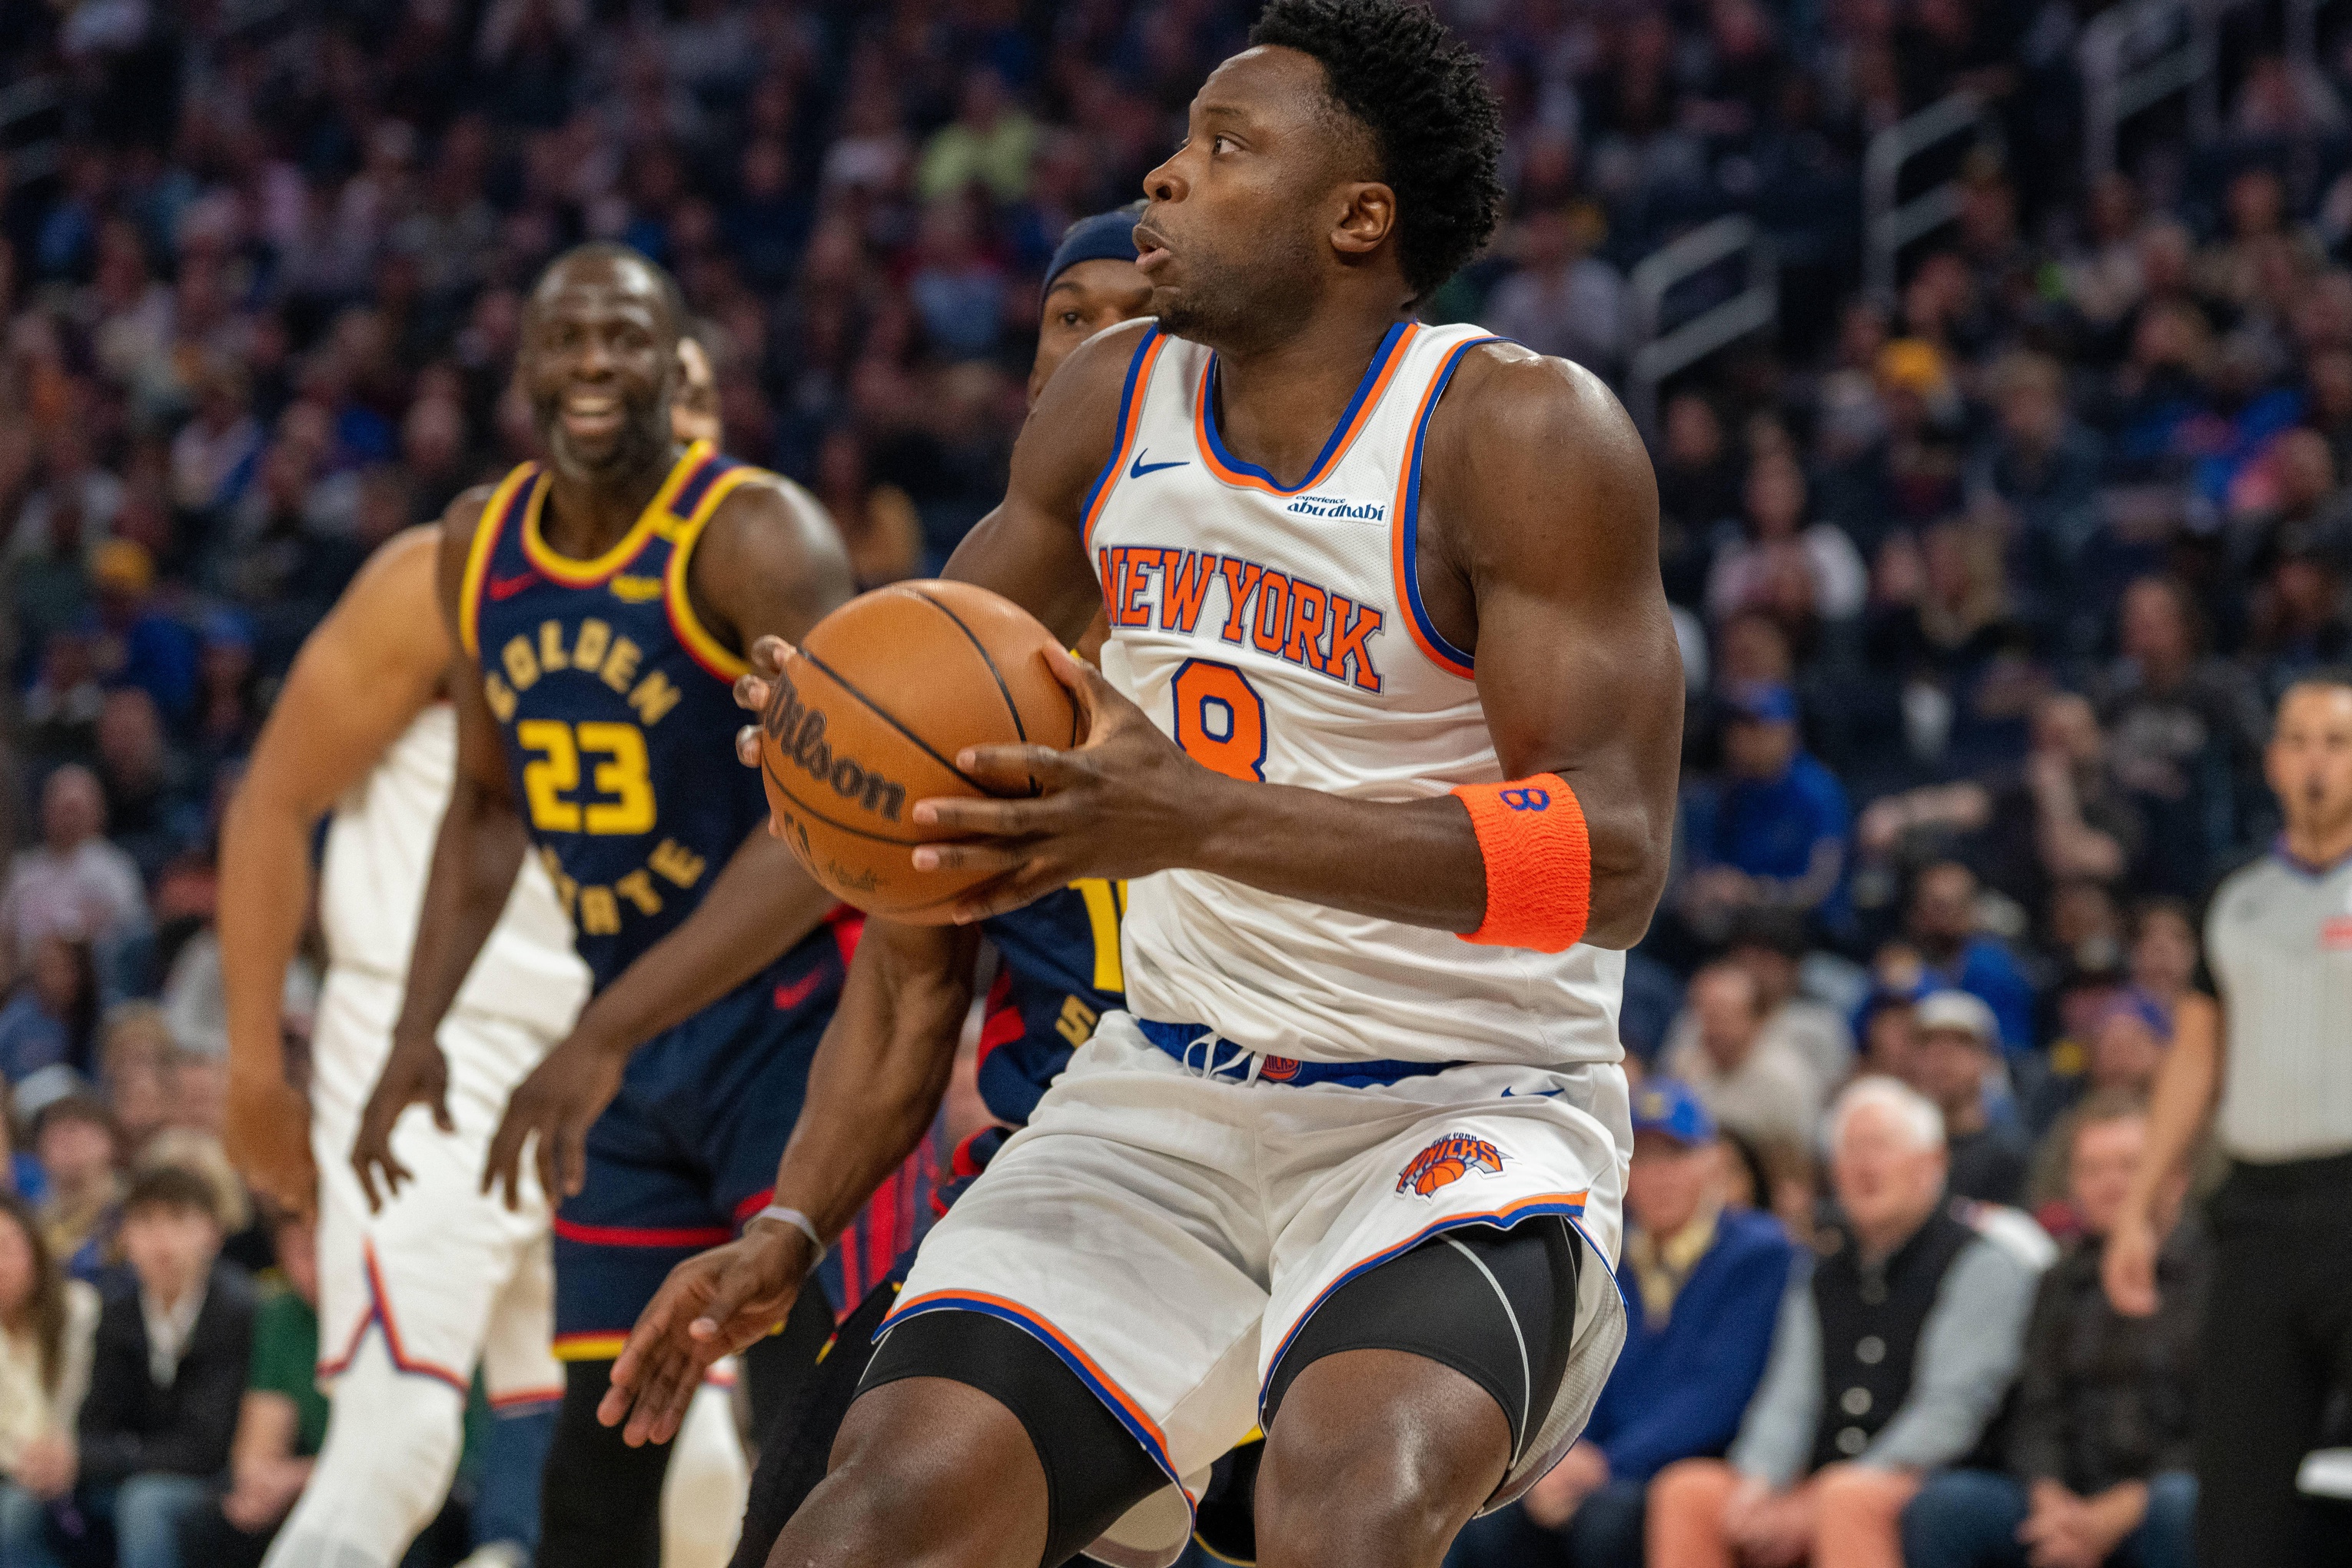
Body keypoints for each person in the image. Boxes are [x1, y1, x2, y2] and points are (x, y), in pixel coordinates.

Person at [608, 5, 1684, 1566]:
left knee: (1349, 1504)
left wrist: (1196, 818)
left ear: (1357, 218)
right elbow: (929, 832)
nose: (1164, 179)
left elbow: (1614, 857)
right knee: (860, 1532)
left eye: (1227, 147)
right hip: (1161, 1101)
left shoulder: (1516, 432)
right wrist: (836, 742)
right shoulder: (1114, 403)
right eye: (1181, 139)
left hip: (1463, 1111)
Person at [607, 204, 1158, 1567]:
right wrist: (792, 1226)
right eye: (1068, 318)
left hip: (1291, 1157)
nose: (1096, 346)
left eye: (1138, 315)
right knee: (809, 1527)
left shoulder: (1300, 598)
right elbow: (911, 986)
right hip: (1054, 1179)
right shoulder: (952, 637)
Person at [359, 241, 856, 1568]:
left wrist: (600, 1035)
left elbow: (826, 834)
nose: (593, 363)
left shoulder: (758, 533)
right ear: (522, 363)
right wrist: (419, 1030)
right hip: (627, 1052)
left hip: (793, 1034)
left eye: (625, 338)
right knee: (599, 1450)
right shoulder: (479, 545)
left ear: (675, 360)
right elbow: (482, 804)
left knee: (800, 1436)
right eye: (566, 337)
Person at [219, 384, 592, 1568]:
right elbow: (274, 804)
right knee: (397, 1443)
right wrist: (249, 1069)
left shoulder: (739, 592)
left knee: (687, 1476)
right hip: (427, 1055)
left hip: (618, 1066)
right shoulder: (439, 578)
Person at [2105, 669, 2352, 1566]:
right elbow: (2195, 1062)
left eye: (2339, 741)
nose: (2320, 760)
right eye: (2302, 741)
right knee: (2238, 1503)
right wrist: (2141, 1204)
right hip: (2259, 1218)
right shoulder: (2234, 898)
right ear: (2275, 761)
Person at [1646, 1077, 2043, 1568]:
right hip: (1826, 1478)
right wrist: (1758, 1485)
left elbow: (1952, 1413)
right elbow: (1788, 1399)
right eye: (1850, 1152)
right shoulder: (1819, 1269)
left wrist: (1818, 1499)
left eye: (1881, 1149)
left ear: (1932, 1163)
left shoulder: (1984, 1260)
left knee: (1846, 1499)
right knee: (1689, 1491)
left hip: (1941, 1478)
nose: (1864, 1167)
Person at [1452, 1081, 1794, 1568]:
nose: (1658, 1178)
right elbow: (1577, 1375)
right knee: (1490, 1518)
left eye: (1675, 1157)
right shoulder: (1605, 1256)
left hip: (1701, 1463)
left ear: (1712, 1163)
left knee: (1607, 1523)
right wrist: (1556, 1461)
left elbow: (1720, 1395)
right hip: (1604, 1463)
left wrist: (1603, 1465)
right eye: (1644, 1161)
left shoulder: (1759, 1253)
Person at [1906, 1092, 2202, 1568]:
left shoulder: (2219, 1277)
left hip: (2163, 1495)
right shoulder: (2056, 1277)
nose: (2110, 1184)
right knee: (1946, 1505)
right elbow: (2033, 1409)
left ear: (2176, 1177)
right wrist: (2049, 1496)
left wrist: (2124, 1508)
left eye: (2129, 1166)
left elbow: (2229, 1424)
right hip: (2065, 1498)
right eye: (2092, 1169)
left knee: (2181, 1502)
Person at [39, 1165, 257, 1568]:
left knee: (144, 1504)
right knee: (29, 1502)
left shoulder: (237, 1310)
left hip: (218, 1483)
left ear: (212, 1234)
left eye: (178, 1220)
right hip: (133, 1473)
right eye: (145, 1222)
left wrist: (94, 1457)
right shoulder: (118, 1308)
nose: (162, 1240)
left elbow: (205, 1447)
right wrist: (68, 1459)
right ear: (126, 1237)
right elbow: (95, 1421)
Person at [176, 1208, 329, 1566]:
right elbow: (258, 1447)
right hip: (310, 1484)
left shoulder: (391, 1313)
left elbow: (394, 1458)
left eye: (324, 1248)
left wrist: (294, 1479)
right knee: (213, 1525)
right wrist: (261, 1485)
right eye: (301, 1253)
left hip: (402, 1487)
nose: (315, 1266)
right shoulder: (283, 1316)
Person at [1679, 683, 1852, 941]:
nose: (1740, 738)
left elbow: (1819, 888)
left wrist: (1749, 892)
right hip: (1741, 933)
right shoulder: (1727, 793)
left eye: (1756, 726)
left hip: (1813, 936)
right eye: (1736, 727)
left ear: (1789, 733)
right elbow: (1704, 874)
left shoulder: (1819, 791)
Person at [0, 1190, 99, 1564]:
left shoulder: (80, 1309)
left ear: (36, 1251)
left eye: (8, 1247)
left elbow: (91, 1401)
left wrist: (62, 1455)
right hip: (13, 1472)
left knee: (14, 1513)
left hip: (81, 1463)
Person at [1659, 962, 1823, 1157]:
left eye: (1724, 1016)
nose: (1713, 1029)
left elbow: (1800, 1166)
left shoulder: (1786, 1081)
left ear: (1757, 1020)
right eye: (1706, 1016)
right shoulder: (1683, 1069)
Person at [0, 766, 146, 968]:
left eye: (75, 810)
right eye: (61, 809)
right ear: (45, 812)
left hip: (95, 985)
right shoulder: (23, 871)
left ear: (98, 813)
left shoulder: (116, 870)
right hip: (27, 984)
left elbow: (132, 939)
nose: (68, 819)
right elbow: (4, 939)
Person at [1907, 991, 2031, 1206]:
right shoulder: (1901, 1152)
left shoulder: (2011, 1157)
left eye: (1962, 1042)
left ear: (1988, 1059)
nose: (1943, 1055)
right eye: (1929, 1043)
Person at [1902, 861, 2037, 1055]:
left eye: (1949, 906)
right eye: (1932, 905)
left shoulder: (1993, 968)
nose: (1939, 918)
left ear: (1972, 909)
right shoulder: (1905, 961)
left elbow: (2009, 1048)